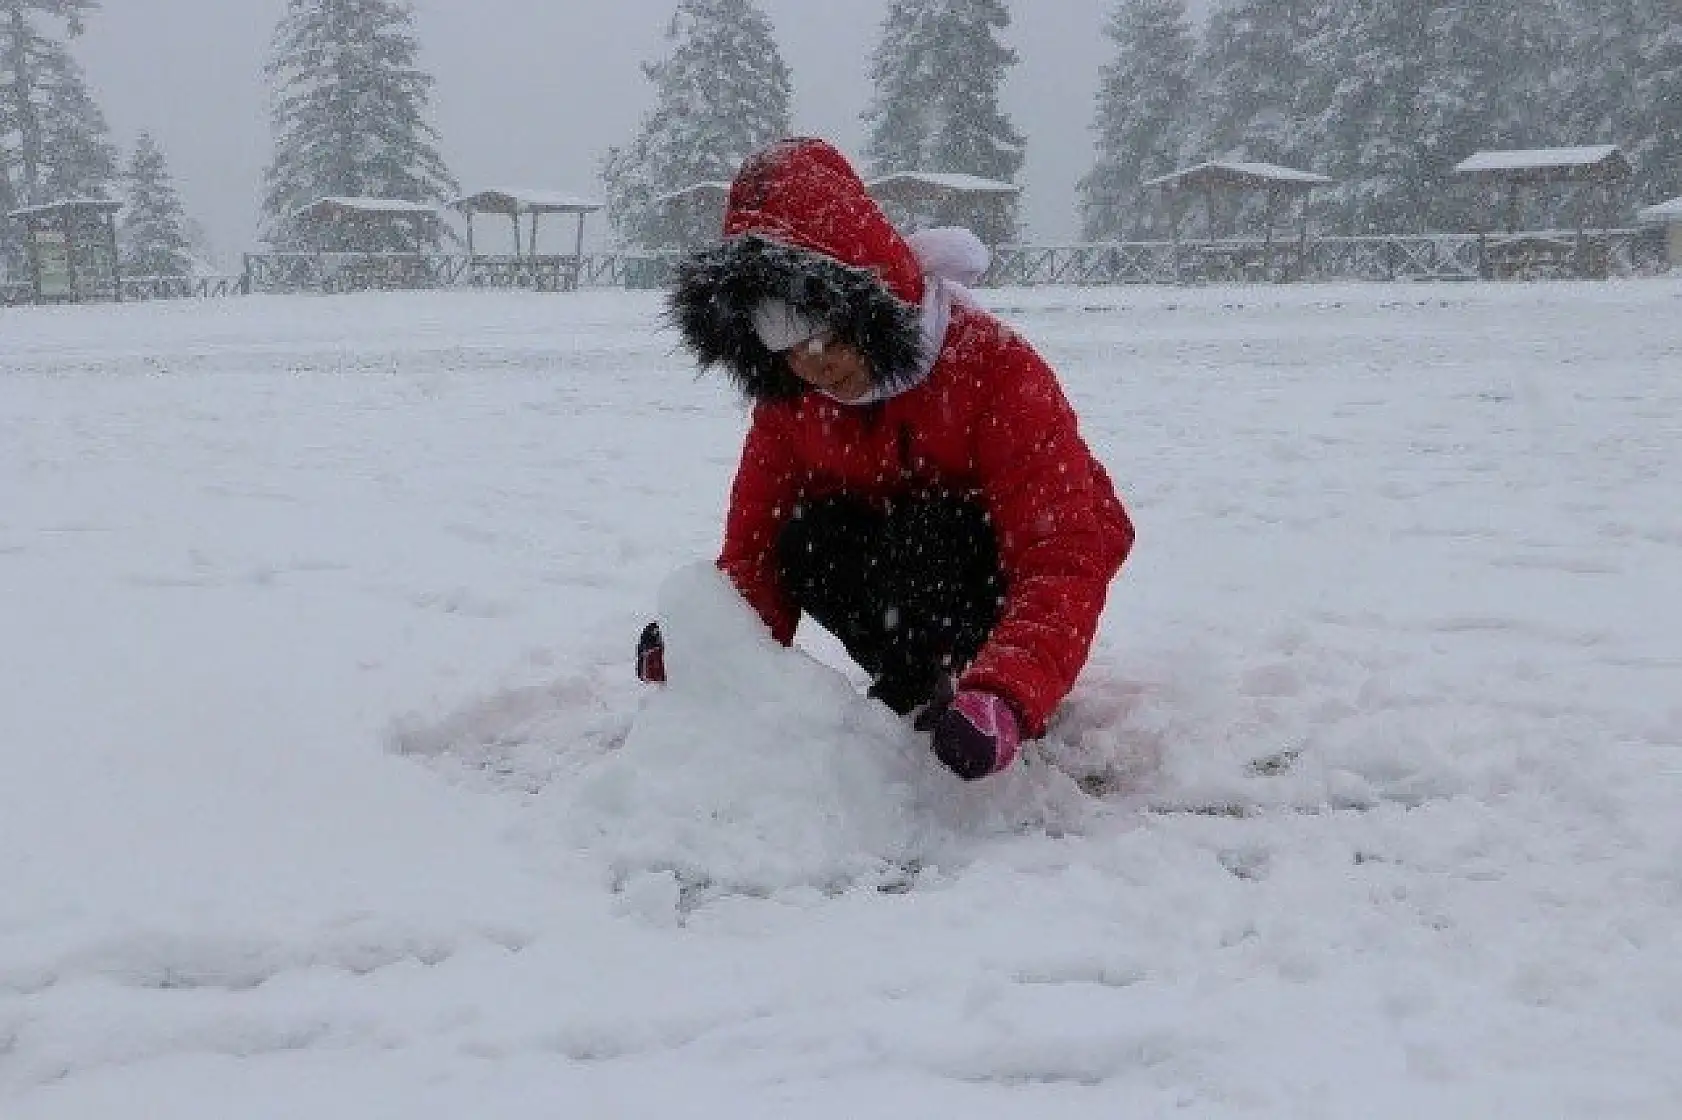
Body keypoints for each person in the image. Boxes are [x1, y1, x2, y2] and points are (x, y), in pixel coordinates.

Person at [637, 137, 1134, 781]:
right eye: (779, 335)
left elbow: (1060, 553)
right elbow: (755, 552)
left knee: (939, 531)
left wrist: (1011, 690)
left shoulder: (995, 370)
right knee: (807, 537)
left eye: (821, 327)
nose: (811, 360)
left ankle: (981, 681)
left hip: (1003, 566)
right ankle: (913, 681)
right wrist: (710, 649)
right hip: (900, 565)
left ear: (864, 301)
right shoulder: (791, 405)